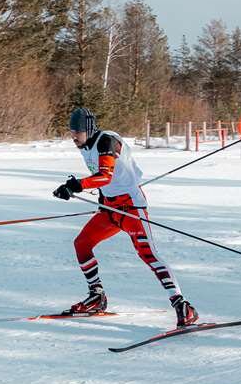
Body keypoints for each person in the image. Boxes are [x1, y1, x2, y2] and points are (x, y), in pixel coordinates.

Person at [52, 107, 199, 326]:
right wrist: (100, 198)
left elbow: (105, 175)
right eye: (71, 131)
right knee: (82, 243)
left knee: (148, 254)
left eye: (77, 132)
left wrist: (77, 186)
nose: (73, 136)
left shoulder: (107, 142)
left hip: (131, 208)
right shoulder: (86, 145)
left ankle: (182, 305)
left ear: (89, 129)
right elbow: (105, 181)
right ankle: (97, 297)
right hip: (111, 209)